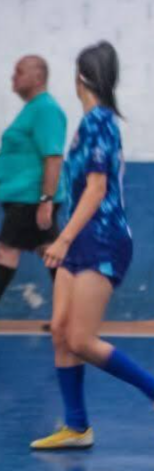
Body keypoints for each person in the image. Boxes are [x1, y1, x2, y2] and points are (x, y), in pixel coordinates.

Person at [30, 41, 154, 450]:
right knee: (61, 332)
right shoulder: (88, 126)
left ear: (81, 77)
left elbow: (97, 189)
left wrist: (61, 238)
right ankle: (77, 427)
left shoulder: (100, 121)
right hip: (79, 238)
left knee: (80, 339)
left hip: (102, 239)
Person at [0, 55, 66, 305]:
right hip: (26, 198)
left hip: (29, 200)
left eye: (19, 72)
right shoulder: (34, 109)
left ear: (37, 77)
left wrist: (45, 200)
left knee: (5, 252)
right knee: (51, 253)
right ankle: (70, 314)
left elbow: (53, 157)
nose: (12, 77)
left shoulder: (46, 109)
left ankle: (71, 313)